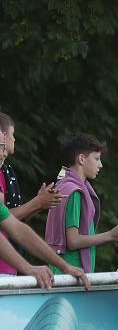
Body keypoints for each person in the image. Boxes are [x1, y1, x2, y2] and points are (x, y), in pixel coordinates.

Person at [44, 135, 118, 274]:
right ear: (81, 159)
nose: (100, 164)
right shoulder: (74, 192)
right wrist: (111, 235)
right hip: (70, 273)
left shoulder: (64, 185)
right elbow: (73, 241)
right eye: (96, 158)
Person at [0, 115, 62, 275]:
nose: (3, 154)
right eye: (12, 134)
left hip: (10, 261)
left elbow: (13, 222)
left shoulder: (6, 170)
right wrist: (37, 202)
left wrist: (39, 204)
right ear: (3, 136)